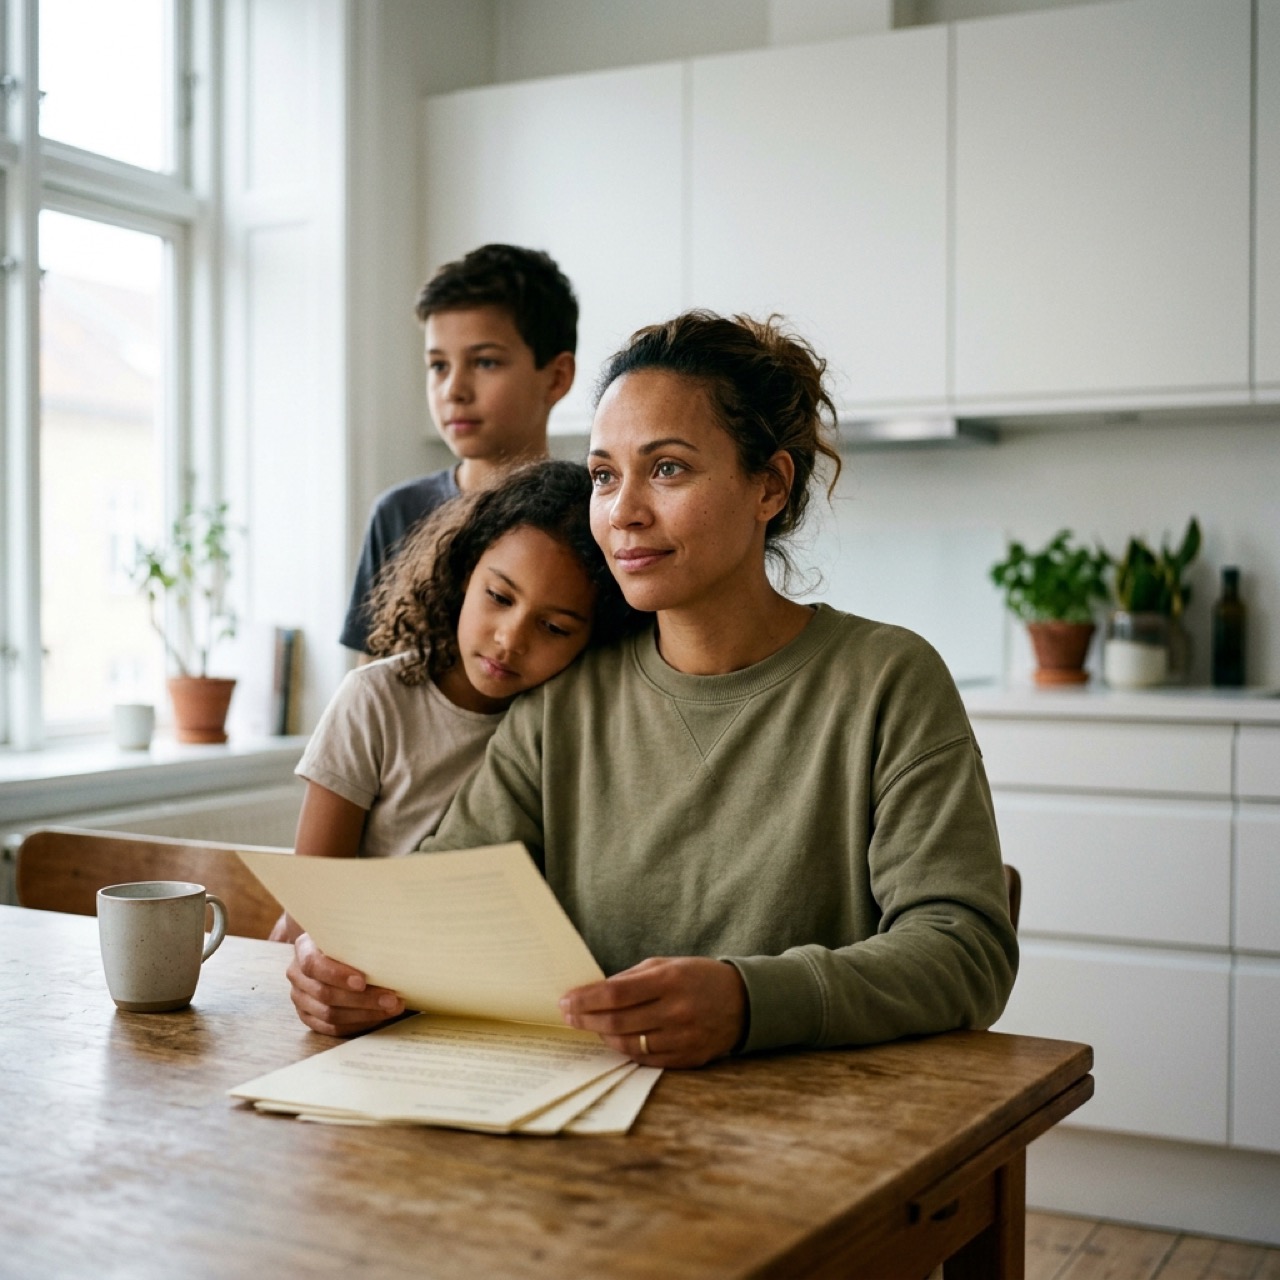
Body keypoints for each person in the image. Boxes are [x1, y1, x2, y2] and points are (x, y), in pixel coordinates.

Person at [289, 310, 1018, 1068]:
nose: (624, 513)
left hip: (812, 1138)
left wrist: (748, 1001)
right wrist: (340, 964)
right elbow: (438, 901)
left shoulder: (887, 681)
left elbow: (965, 953)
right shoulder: (566, 697)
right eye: (605, 476)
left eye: (667, 468)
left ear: (769, 486)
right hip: (584, 1124)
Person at [271, 460, 637, 942]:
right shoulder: (375, 700)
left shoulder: (569, 725)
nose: (510, 640)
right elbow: (310, 903)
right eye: (500, 597)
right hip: (358, 960)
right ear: (465, 571)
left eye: (554, 628)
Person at [340, 244, 579, 657]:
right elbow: (371, 679)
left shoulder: (587, 518)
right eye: (438, 366)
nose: (454, 390)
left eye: (485, 362)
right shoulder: (398, 513)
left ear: (556, 378)